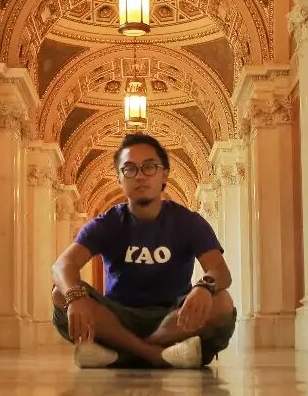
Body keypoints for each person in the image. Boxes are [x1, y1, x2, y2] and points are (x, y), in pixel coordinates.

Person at [50, 133, 237, 369]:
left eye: (149, 167)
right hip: (118, 318)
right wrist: (74, 296)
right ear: (120, 179)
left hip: (174, 319)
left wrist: (205, 286)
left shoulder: (188, 222)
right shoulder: (108, 223)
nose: (140, 176)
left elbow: (220, 270)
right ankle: (158, 355)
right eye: (129, 169)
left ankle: (125, 353)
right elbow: (62, 265)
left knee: (222, 302)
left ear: (164, 175)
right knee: (60, 294)